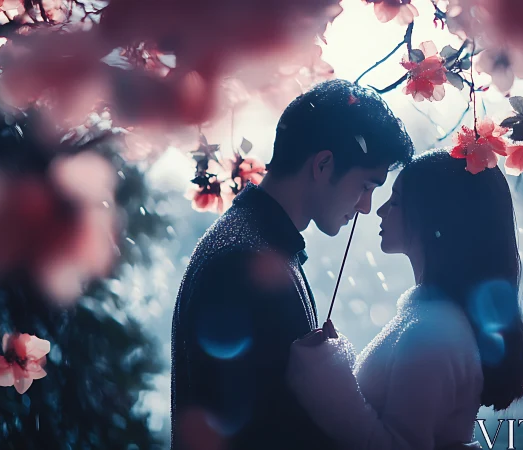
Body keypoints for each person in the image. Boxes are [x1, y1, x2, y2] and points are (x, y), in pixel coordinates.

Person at [170, 79, 414, 450]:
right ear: (323, 164)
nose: (366, 207)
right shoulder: (246, 261)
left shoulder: (256, 245)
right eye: (367, 185)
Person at [286, 149, 523, 449]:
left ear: (431, 217)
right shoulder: (431, 321)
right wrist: (336, 361)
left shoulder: (433, 332)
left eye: (395, 202)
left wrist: (322, 373)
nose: (379, 211)